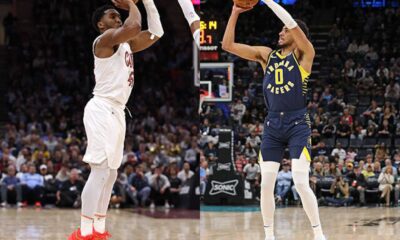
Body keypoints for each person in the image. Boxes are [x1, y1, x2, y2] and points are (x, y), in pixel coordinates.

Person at [222, 1, 325, 239]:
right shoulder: (267, 55)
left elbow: (290, 22)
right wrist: (235, 12)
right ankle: (269, 236)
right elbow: (227, 45)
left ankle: (318, 234)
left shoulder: (305, 54)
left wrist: (267, 1)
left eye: (285, 30)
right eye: (280, 30)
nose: (280, 32)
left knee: (300, 181)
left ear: (298, 35)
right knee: (266, 184)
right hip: (272, 126)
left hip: (298, 123)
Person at [68, 0, 163, 239]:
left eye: (117, 15)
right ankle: (85, 232)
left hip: (118, 111)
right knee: (100, 170)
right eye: (112, 16)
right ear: (101, 24)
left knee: (111, 173)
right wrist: (132, 3)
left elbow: (156, 32)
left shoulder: (126, 43)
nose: (117, 18)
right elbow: (133, 26)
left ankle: (99, 230)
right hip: (101, 108)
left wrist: (148, 2)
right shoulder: (104, 40)